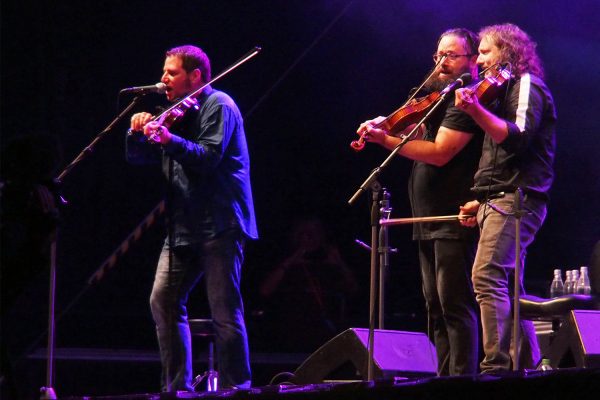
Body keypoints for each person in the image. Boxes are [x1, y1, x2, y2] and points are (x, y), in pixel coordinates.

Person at [126, 45, 258, 391]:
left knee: (224, 313)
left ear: (195, 76)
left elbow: (209, 157)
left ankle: (237, 388)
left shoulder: (219, 105)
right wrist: (136, 130)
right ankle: (176, 388)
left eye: (172, 72)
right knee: (163, 301)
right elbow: (138, 159)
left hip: (220, 222)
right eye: (164, 72)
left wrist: (169, 139)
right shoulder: (173, 110)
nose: (163, 78)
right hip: (182, 225)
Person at [357, 28, 483, 376]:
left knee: (455, 306)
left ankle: (462, 380)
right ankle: (443, 380)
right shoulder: (436, 96)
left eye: (452, 56)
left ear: (472, 60)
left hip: (452, 213)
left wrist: (386, 141)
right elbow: (404, 120)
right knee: (435, 307)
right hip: (426, 216)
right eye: (438, 55)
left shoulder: (467, 99)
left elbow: (441, 153)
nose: (442, 62)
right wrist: (384, 124)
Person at [455, 23, 556, 373]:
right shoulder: (497, 93)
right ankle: (526, 367)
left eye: (485, 51)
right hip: (498, 198)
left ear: (508, 51)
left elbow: (517, 138)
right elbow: (497, 158)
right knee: (509, 286)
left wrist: (475, 112)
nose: (479, 61)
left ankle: (496, 368)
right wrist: (480, 198)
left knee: (486, 276)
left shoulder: (527, 85)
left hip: (517, 198)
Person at [258, 216, 358, 352]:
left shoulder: (330, 263)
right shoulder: (285, 262)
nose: (309, 237)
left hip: (326, 333)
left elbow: (353, 289)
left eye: (314, 232)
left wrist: (339, 264)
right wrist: (292, 260)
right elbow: (265, 290)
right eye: (304, 233)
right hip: (291, 332)